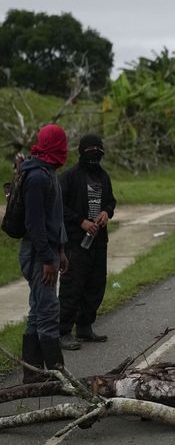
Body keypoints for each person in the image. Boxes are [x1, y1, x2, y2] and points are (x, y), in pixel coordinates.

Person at [19, 125, 69, 383]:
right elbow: (34, 224)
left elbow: (54, 219)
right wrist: (48, 258)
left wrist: (61, 250)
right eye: (62, 143)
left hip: (48, 251)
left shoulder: (49, 173)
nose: (66, 148)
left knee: (39, 310)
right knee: (48, 311)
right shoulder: (37, 177)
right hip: (38, 254)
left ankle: (34, 374)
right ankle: (57, 374)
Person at [58, 135, 117, 349]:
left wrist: (106, 212)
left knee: (95, 285)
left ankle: (84, 327)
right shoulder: (69, 177)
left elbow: (111, 200)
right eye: (90, 148)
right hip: (76, 242)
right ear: (82, 151)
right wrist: (81, 221)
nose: (95, 151)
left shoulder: (103, 176)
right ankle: (63, 331)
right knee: (72, 287)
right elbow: (60, 207)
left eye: (98, 148)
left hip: (98, 241)